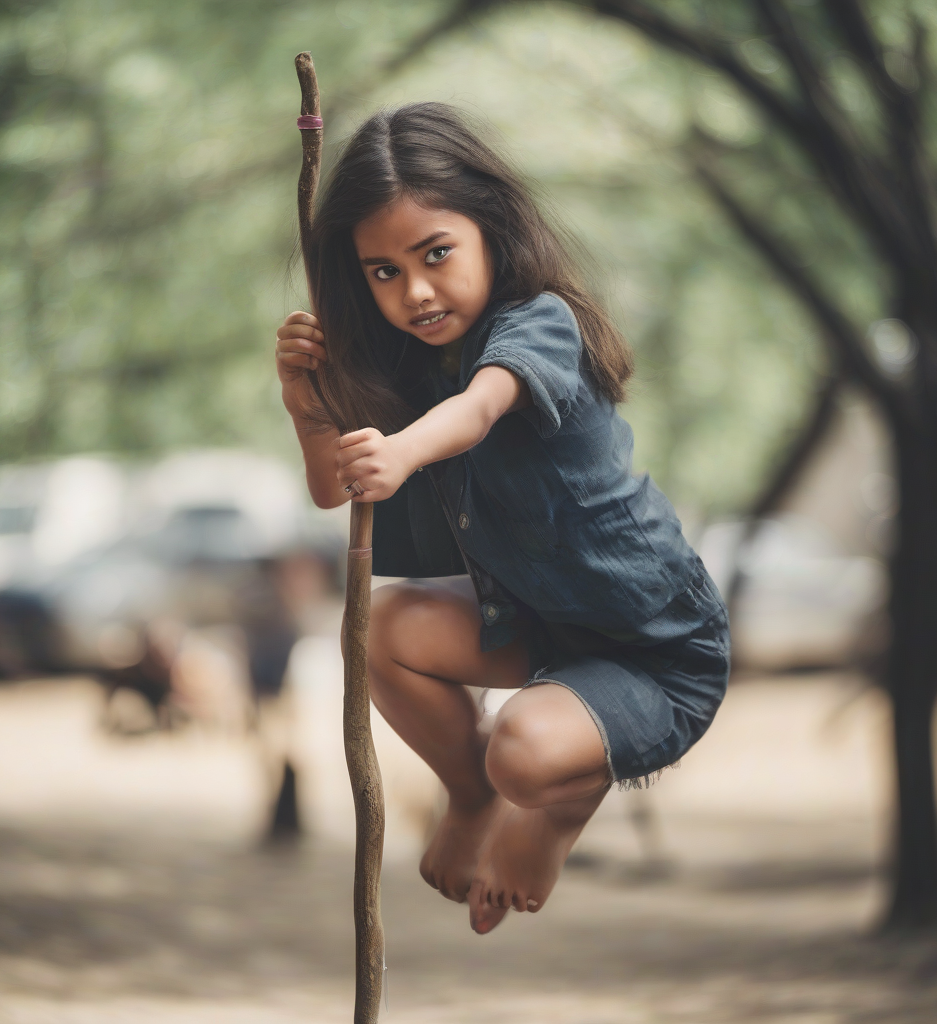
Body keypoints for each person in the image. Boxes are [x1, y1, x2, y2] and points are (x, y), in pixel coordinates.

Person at [275, 103, 729, 934]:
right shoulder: (413, 368)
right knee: (375, 626)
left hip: (654, 653)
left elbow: (482, 409)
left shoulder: (539, 324)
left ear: (491, 228)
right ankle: (474, 796)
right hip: (540, 628)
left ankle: (553, 803)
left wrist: (407, 450)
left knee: (520, 748)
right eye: (381, 272)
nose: (414, 290)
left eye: (435, 254)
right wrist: (308, 403)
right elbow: (332, 492)